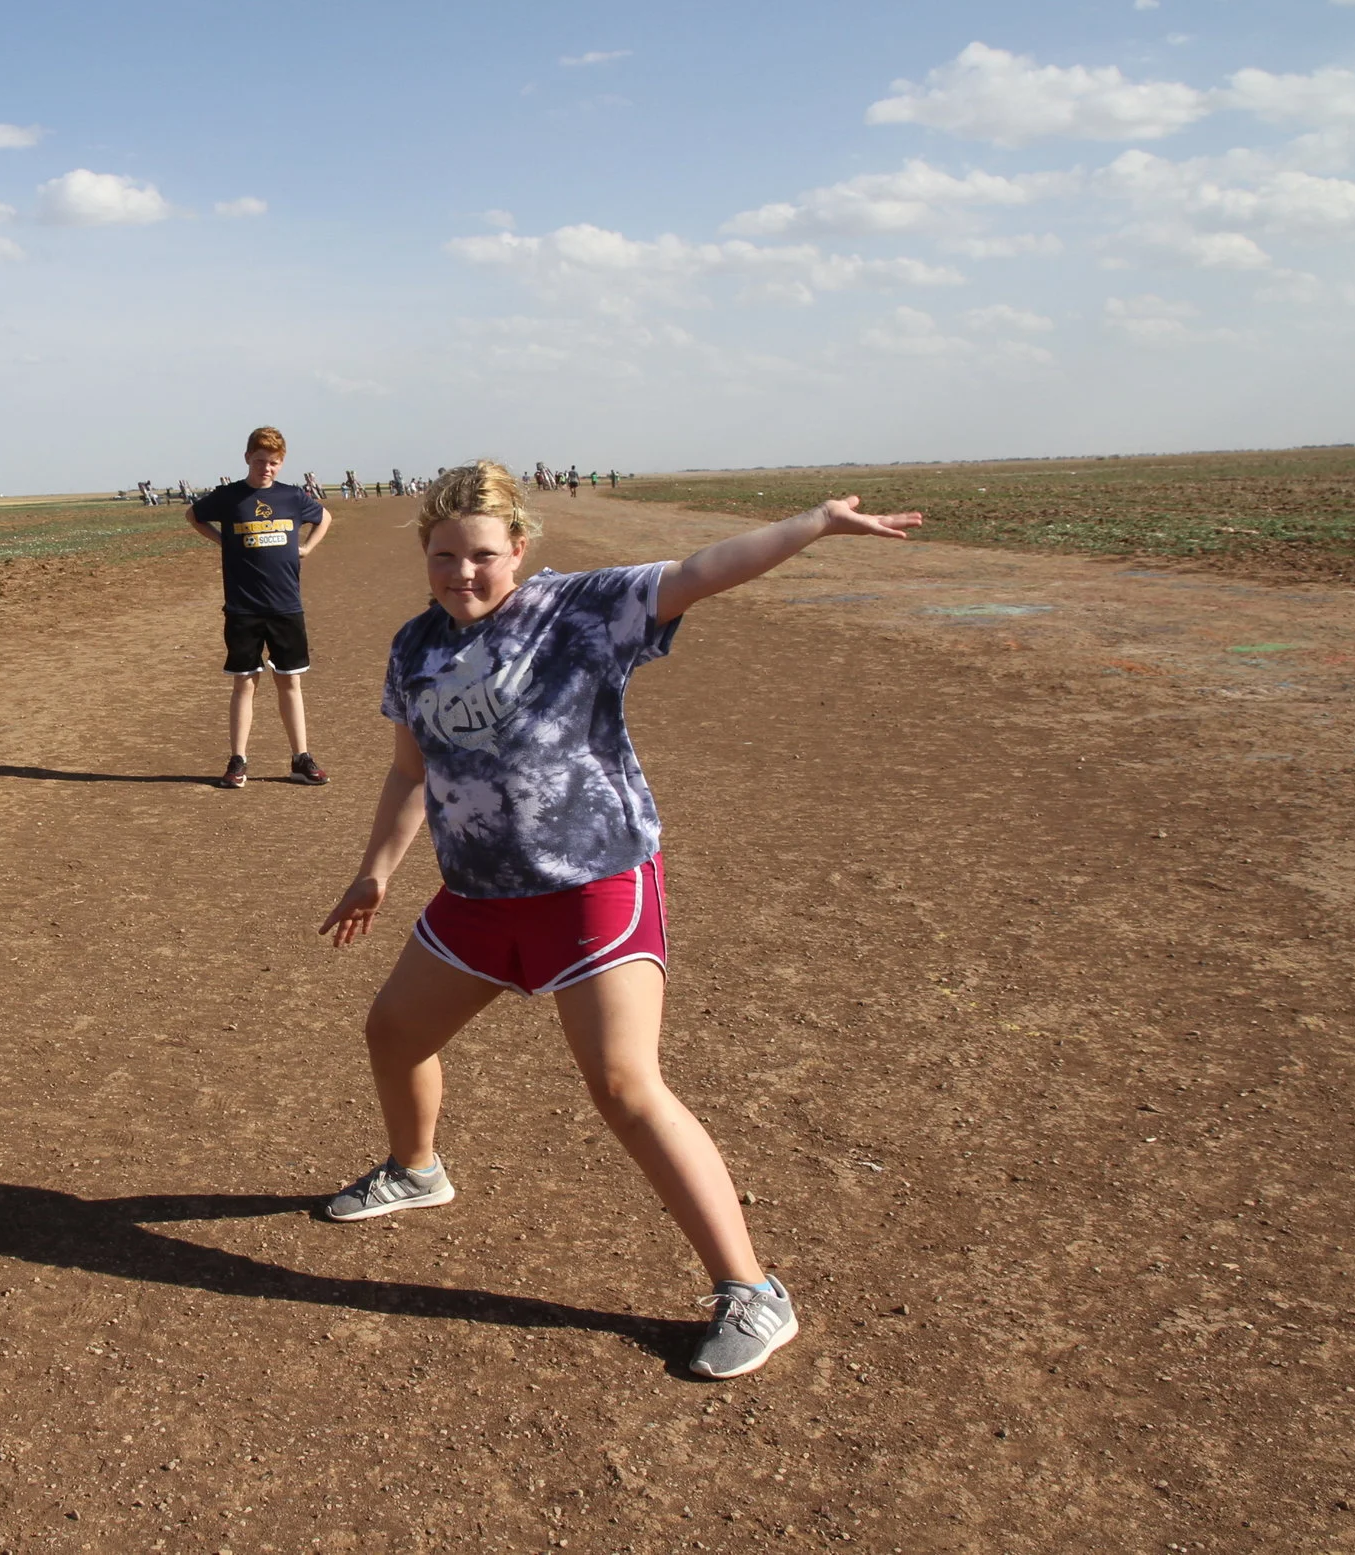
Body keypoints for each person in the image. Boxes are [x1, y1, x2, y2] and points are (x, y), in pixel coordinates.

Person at [316, 460, 921, 1379]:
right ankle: (417, 1169)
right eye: (444, 556)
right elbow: (411, 771)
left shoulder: (577, 612)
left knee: (624, 1083)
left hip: (591, 884)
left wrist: (814, 522)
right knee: (394, 1032)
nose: (462, 574)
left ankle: (751, 1291)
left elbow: (700, 570)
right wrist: (374, 872)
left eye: (482, 555)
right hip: (479, 894)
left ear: (517, 548)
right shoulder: (415, 646)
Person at [187, 427, 334, 790]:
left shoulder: (293, 497)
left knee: (290, 682)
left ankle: (301, 758)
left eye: (273, 463)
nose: (266, 468)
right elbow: (193, 515)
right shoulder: (228, 497)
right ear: (247, 458)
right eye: (259, 461)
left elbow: (324, 518)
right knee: (245, 683)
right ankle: (238, 761)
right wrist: (222, 540)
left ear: (281, 464)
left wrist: (308, 547)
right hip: (243, 608)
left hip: (286, 605)